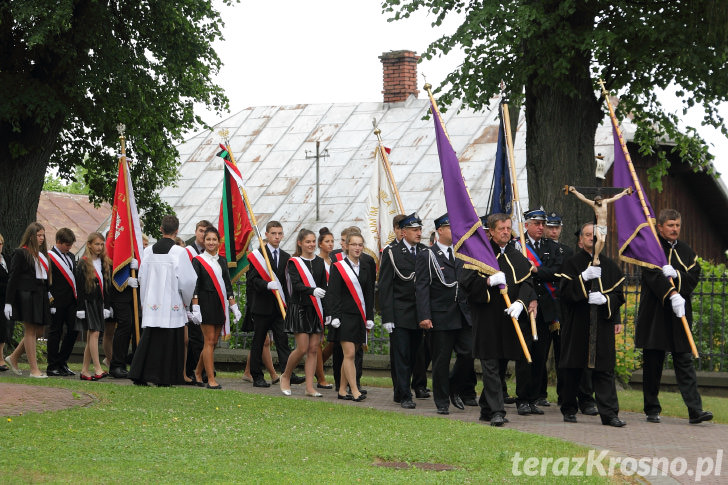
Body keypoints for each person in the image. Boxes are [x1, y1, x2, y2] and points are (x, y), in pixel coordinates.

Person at [635, 209, 712, 425]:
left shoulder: (687, 251)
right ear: (660, 227)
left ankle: (695, 410)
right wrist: (671, 292)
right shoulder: (651, 249)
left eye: (677, 225)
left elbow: (693, 276)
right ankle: (651, 408)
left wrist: (676, 276)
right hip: (656, 312)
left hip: (679, 313)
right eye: (670, 225)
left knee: (684, 360)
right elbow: (651, 276)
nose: (674, 229)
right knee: (653, 361)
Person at [460, 213, 536, 426]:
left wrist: (520, 303)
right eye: (501, 228)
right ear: (491, 231)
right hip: (487, 318)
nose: (505, 232)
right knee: (490, 362)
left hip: (509, 318)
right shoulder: (479, 254)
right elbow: (466, 285)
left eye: (508, 228)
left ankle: (486, 406)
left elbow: (528, 283)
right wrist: (488, 281)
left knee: (501, 364)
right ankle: (497, 411)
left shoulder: (515, 253)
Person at [559, 223, 626, 427]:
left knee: (604, 369)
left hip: (602, 325)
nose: (592, 239)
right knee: (573, 368)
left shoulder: (611, 266)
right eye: (588, 235)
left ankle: (609, 413)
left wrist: (605, 300)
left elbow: (618, 295)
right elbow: (564, 293)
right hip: (578, 322)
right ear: (580, 240)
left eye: (595, 236)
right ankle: (569, 408)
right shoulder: (571, 264)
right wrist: (582, 279)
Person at [415, 213, 475, 415]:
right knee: (441, 360)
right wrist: (424, 315)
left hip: (462, 313)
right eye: (450, 227)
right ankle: (441, 401)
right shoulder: (428, 255)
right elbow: (422, 286)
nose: (455, 231)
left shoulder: (462, 253)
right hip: (440, 314)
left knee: (468, 354)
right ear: (439, 230)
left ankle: (453, 387)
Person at [129, 215, 196, 386]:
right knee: (169, 341)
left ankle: (141, 374)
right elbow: (188, 281)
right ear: (177, 231)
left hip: (152, 302)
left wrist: (145, 301)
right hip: (171, 302)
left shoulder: (148, 251)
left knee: (150, 339)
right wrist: (186, 301)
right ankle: (164, 378)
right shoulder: (180, 252)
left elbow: (142, 278)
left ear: (161, 229)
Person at [379, 212, 428, 409]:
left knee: (416, 354)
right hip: (400, 313)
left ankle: (400, 391)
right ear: (404, 231)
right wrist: (387, 316)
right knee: (402, 356)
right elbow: (385, 287)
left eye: (420, 230)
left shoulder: (424, 251)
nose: (418, 233)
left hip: (419, 313)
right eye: (414, 230)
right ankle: (405, 394)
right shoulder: (392, 252)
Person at [246, 221, 302, 387]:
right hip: (262, 307)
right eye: (273, 234)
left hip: (279, 307)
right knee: (258, 342)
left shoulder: (286, 257)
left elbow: (287, 285)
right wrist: (266, 285)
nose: (277, 237)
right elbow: (252, 280)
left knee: (282, 340)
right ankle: (257, 376)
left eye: (279, 234)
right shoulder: (258, 255)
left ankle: (288, 373)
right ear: (267, 235)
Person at [523, 207, 565, 413]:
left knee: (540, 356)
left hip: (546, 310)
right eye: (537, 224)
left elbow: (558, 272)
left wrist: (537, 270)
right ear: (527, 225)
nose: (541, 227)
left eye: (543, 224)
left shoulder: (552, 247)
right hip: (525, 308)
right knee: (525, 355)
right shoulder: (518, 245)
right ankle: (522, 397)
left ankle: (533, 398)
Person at [190, 226, 240, 389]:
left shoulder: (222, 260)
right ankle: (210, 379)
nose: (211, 242)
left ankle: (197, 373)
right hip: (205, 303)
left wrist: (233, 305)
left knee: (213, 342)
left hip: (220, 304)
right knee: (209, 341)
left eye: (214, 239)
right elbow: (194, 285)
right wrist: (195, 307)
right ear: (203, 242)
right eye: (208, 239)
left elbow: (227, 284)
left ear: (219, 242)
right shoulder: (198, 260)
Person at [279, 229, 327, 397]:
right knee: (302, 348)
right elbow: (297, 285)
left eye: (314, 241)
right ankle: (285, 376)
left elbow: (324, 287)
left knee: (314, 349)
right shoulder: (294, 262)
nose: (311, 245)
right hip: (299, 307)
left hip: (316, 309)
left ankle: (309, 387)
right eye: (308, 242)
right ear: (300, 243)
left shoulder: (320, 262)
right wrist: (312, 291)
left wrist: (326, 310)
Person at [327, 232, 374, 402]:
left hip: (359, 316)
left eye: (360, 244)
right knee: (350, 354)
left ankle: (341, 390)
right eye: (354, 244)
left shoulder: (367, 265)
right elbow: (333, 293)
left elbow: (369, 294)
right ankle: (354, 390)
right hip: (343, 317)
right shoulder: (338, 266)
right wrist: (335, 316)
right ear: (346, 246)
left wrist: (370, 317)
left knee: (351, 354)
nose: (357, 248)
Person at [4, 222, 52, 378]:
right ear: (31, 236)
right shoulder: (21, 253)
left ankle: (13, 357)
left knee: (39, 331)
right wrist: (8, 302)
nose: (42, 238)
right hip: (26, 295)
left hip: (40, 295)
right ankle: (34, 370)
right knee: (30, 331)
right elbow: (13, 278)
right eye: (39, 235)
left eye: (43, 235)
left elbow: (45, 279)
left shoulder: (42, 255)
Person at [75, 232, 113, 381]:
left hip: (99, 302)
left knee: (93, 334)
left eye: (101, 244)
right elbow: (79, 288)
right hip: (88, 303)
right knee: (95, 333)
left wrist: (107, 306)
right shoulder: (83, 262)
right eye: (97, 244)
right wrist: (80, 308)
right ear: (89, 244)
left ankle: (84, 370)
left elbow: (107, 286)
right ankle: (97, 368)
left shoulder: (104, 261)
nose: (99, 247)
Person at [184, 220, 213, 383]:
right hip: (192, 299)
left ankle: (201, 369)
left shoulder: (210, 252)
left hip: (206, 299)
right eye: (201, 231)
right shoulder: (189, 251)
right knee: (195, 338)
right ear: (196, 232)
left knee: (206, 337)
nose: (203, 234)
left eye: (206, 231)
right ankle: (194, 370)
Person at [46, 228, 78, 377]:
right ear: (58, 242)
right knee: (55, 332)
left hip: (71, 300)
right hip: (56, 301)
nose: (69, 247)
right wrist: (49, 300)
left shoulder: (71, 256)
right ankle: (52, 365)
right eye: (67, 244)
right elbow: (46, 281)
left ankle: (62, 362)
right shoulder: (49, 257)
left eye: (71, 245)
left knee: (74, 330)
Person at [314, 227, 334, 389]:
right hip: (320, 304)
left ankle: (315, 367)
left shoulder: (333, 261)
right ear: (320, 244)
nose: (331, 244)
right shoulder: (316, 261)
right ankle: (321, 377)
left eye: (332, 241)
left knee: (335, 340)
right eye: (327, 242)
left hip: (333, 304)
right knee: (318, 341)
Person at [0, 234, 12, 371]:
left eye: (0, 243)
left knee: (5, 329)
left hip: (7, 300)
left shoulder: (7, 259)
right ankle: (0, 359)